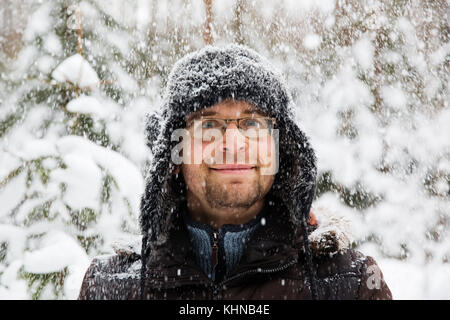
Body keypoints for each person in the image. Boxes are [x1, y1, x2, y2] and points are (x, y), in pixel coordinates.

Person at [78, 44, 392, 300]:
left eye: (252, 123)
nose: (233, 143)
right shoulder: (109, 287)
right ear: (173, 153)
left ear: (281, 148)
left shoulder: (348, 284)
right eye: (209, 124)